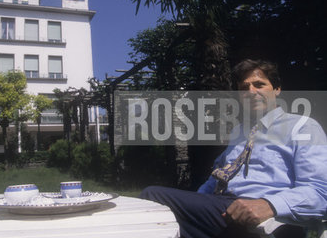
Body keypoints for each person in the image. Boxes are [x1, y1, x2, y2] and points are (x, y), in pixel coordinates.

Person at [140, 59, 327, 238]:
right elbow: (218, 177)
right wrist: (196, 203)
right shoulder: (239, 132)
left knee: (153, 196)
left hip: (271, 223)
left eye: (259, 84)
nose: (251, 92)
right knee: (157, 220)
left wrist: (269, 204)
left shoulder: (302, 127)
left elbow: (320, 191)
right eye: (244, 88)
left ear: (277, 89)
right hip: (223, 212)